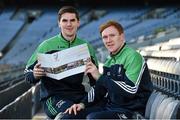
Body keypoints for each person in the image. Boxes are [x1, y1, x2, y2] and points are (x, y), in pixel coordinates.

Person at [65, 20, 153, 119]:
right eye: (105, 37)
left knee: (93, 118)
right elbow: (100, 89)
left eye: (112, 35)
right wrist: (82, 104)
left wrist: (99, 77)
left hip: (131, 111)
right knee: (69, 116)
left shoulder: (133, 56)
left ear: (122, 37)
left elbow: (130, 89)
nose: (108, 40)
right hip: (111, 107)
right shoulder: (109, 61)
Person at [24, 6, 99, 119]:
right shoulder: (47, 46)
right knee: (72, 114)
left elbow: (95, 81)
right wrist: (35, 74)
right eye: (65, 20)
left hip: (79, 96)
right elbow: (27, 74)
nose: (69, 24)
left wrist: (98, 79)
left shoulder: (87, 48)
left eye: (72, 20)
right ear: (59, 23)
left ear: (78, 23)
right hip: (53, 98)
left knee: (99, 113)